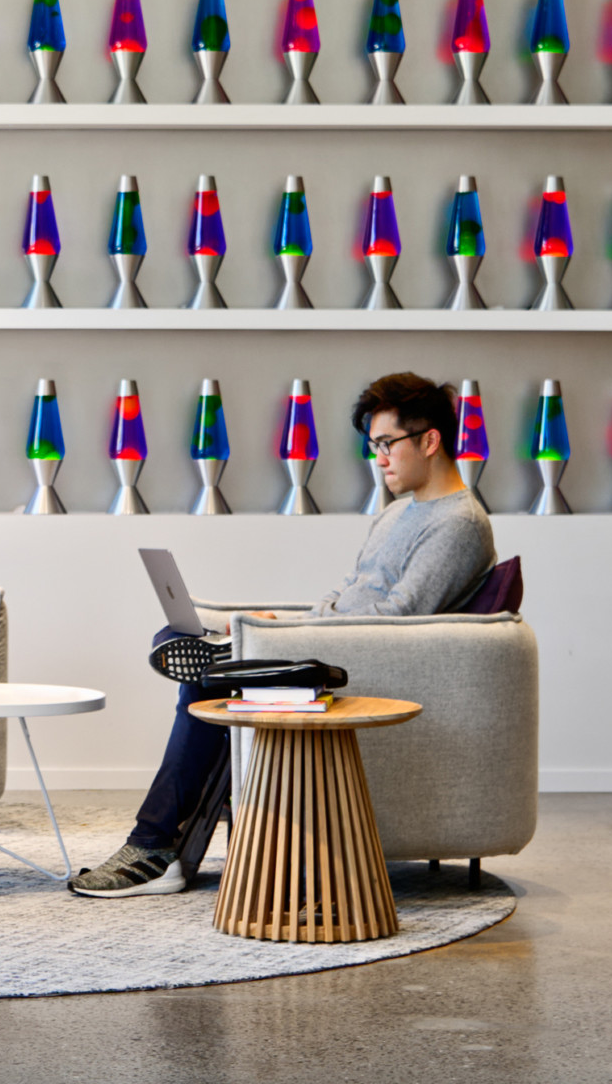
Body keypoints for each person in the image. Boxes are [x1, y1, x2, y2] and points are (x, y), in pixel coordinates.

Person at [70, 372, 496, 898]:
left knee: (207, 680)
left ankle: (154, 847)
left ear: (430, 440)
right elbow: (349, 594)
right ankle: (224, 653)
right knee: (194, 645)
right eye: (373, 447)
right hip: (330, 641)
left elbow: (394, 618)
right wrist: (280, 620)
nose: (378, 459)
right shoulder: (396, 515)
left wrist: (295, 634)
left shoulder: (459, 524)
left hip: (355, 667)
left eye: (387, 444)